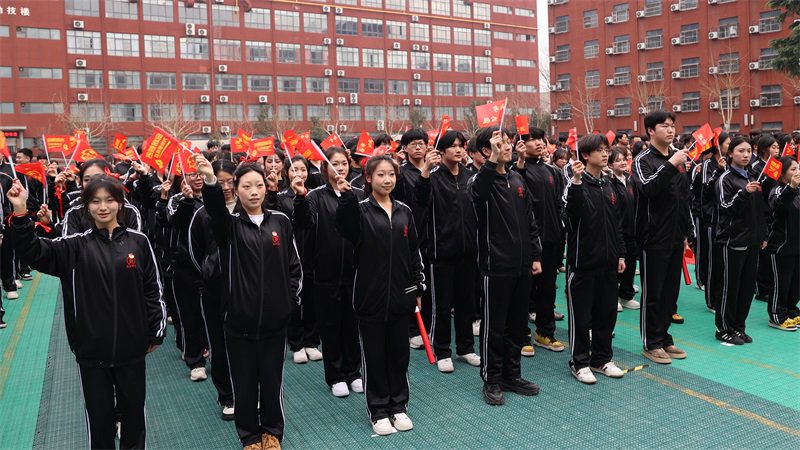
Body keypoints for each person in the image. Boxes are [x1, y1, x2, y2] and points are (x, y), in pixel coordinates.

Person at [8, 176, 165, 449]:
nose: (103, 207)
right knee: (99, 423)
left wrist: (155, 332)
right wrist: (20, 211)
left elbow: (153, 289)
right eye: (95, 201)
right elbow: (34, 251)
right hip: (92, 353)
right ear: (87, 207)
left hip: (132, 350)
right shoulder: (75, 246)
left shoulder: (138, 243)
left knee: (134, 418)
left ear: (120, 204)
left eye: (110, 200)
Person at [196, 154, 302, 450]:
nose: (254, 192)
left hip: (274, 320)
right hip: (238, 321)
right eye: (246, 186)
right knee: (243, 383)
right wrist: (210, 180)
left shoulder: (280, 221)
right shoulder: (228, 226)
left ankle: (272, 433)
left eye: (258, 185)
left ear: (266, 188)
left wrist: (288, 301)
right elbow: (215, 210)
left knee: (271, 381)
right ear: (236, 190)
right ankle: (250, 436)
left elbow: (294, 266)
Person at [336, 155, 425, 436]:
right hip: (369, 299)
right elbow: (345, 228)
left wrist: (417, 287)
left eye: (391, 174)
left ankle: (398, 406)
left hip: (401, 297)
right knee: (374, 357)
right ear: (368, 178)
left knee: (399, 356)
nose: (387, 180)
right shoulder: (360, 210)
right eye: (381, 175)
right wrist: (346, 199)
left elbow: (414, 252)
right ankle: (378, 410)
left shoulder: (404, 212)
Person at [469, 127, 542, 406]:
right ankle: (492, 379)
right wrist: (491, 162)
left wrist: (535, 256)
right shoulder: (480, 181)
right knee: (494, 326)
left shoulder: (516, 179)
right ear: (486, 151)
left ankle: (512, 374)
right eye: (500, 143)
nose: (508, 146)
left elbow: (530, 220)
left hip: (522, 265)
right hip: (495, 266)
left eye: (508, 142)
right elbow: (477, 194)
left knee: (517, 324)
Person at [293, 147, 364, 397]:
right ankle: (336, 376)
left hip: (354, 272)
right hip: (324, 273)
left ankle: (354, 372)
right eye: (335, 163)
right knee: (330, 326)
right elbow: (304, 222)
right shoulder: (315, 196)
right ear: (325, 168)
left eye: (344, 163)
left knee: (352, 325)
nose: (340, 168)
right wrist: (300, 198)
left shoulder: (358, 194)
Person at [413, 130, 480, 373]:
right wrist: (425, 170)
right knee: (441, 306)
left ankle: (465, 348)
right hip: (441, 253)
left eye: (461, 145)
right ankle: (442, 351)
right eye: (453, 146)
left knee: (466, 304)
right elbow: (420, 201)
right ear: (441, 151)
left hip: (468, 251)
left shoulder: (470, 177)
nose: (458, 149)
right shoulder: (432, 177)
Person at [563, 135, 627, 384]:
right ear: (585, 155)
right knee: (581, 317)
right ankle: (579, 362)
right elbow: (571, 215)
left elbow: (617, 224)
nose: (605, 154)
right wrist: (577, 181)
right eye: (599, 150)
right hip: (583, 264)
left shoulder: (609, 184)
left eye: (606, 149)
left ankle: (602, 359)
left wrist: (620, 253)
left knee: (606, 314)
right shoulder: (574, 185)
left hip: (608, 262)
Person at [631, 111, 692, 365]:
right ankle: (651, 342)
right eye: (664, 126)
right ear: (650, 131)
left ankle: (664, 337)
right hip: (653, 236)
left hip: (675, 235)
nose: (670, 130)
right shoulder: (642, 160)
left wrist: (687, 231)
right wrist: (670, 165)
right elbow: (647, 188)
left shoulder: (678, 157)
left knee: (670, 292)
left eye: (672, 126)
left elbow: (683, 197)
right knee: (654, 292)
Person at [188, 159, 237, 421]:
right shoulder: (202, 214)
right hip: (214, 290)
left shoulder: (248, 208)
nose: (226, 187)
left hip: (246, 289)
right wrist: (211, 271)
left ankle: (252, 392)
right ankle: (227, 396)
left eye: (230, 181)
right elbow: (195, 252)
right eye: (221, 182)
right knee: (219, 343)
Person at [513, 127, 566, 355]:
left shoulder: (552, 171)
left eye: (540, 139)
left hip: (552, 239)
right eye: (531, 139)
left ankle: (545, 333)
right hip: (528, 241)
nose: (538, 143)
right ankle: (521, 335)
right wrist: (520, 160)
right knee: (524, 291)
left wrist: (560, 233)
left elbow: (560, 204)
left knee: (548, 290)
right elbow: (517, 187)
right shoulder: (515, 170)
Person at [714, 136, 767, 345]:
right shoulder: (725, 179)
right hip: (733, 240)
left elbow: (759, 210)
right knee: (730, 286)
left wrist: (762, 235)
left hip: (752, 240)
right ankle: (723, 328)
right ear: (730, 154)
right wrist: (743, 193)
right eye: (740, 151)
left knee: (747, 287)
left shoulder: (752, 176)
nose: (745, 155)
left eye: (748, 151)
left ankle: (739, 327)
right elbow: (724, 207)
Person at [273, 156, 323, 364]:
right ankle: (296, 343)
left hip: (313, 254)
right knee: (293, 299)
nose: (299, 173)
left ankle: (311, 341)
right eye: (294, 170)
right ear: (287, 173)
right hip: (289, 256)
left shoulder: (315, 195)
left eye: (303, 169)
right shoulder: (281, 196)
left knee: (312, 299)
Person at [766, 156, 800, 331]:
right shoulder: (777, 190)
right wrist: (792, 188)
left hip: (797, 245)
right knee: (781, 282)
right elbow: (779, 207)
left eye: (798, 168)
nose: (797, 172)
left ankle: (792, 311)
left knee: (795, 282)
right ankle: (777, 315)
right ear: (783, 172)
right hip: (781, 245)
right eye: (793, 169)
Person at [699, 133, 730, 313]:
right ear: (718, 145)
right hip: (713, 221)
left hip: (728, 222)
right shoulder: (707, 165)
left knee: (725, 264)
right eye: (727, 143)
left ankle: (723, 297)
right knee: (713, 262)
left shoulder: (731, 165)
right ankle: (712, 300)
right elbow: (706, 190)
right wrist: (718, 170)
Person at [608, 148, 640, 312]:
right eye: (617, 160)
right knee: (616, 267)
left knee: (630, 264)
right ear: (610, 164)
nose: (622, 162)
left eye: (623, 159)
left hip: (631, 231)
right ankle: (612, 297)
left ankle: (626, 296)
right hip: (616, 232)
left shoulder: (629, 179)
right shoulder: (609, 182)